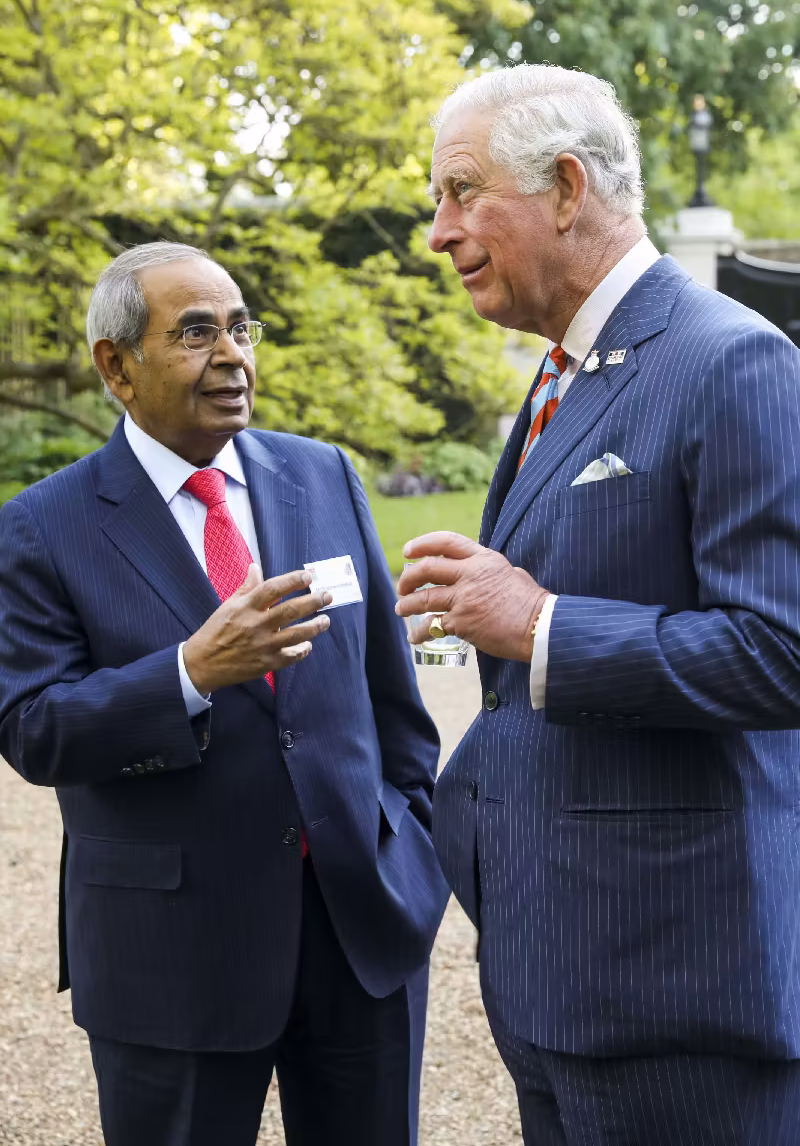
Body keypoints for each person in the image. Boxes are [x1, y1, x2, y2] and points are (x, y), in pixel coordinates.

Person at [395, 64, 800, 1145]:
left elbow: (781, 654)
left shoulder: (733, 362)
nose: (438, 231)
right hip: (555, 975)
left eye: (460, 192)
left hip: (675, 992)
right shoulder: (556, 374)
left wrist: (535, 624)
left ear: (565, 187)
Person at [0, 241, 449, 1146]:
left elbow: (391, 698)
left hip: (359, 929)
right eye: (196, 332)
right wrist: (189, 675)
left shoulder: (323, 473)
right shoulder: (41, 527)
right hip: (172, 950)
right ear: (115, 366)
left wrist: (409, 839)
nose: (234, 355)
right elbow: (33, 728)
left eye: (242, 328)